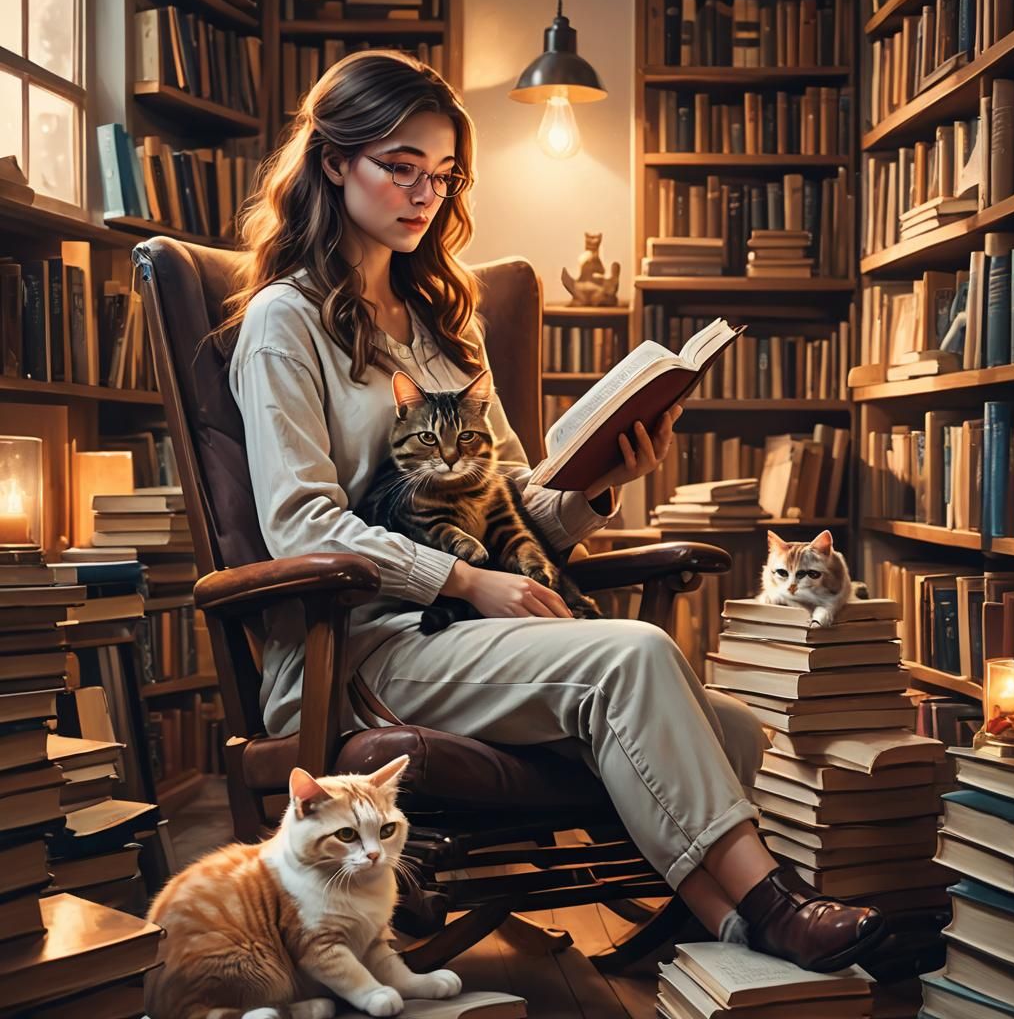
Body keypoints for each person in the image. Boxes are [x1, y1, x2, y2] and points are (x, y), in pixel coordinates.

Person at [223, 50, 885, 973]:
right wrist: (464, 579)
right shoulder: (283, 324)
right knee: (637, 655)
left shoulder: (444, 326)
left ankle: (721, 923)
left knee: (733, 727)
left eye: (442, 174)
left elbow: (510, 504)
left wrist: (599, 482)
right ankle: (778, 909)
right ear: (334, 163)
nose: (423, 194)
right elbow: (300, 524)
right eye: (400, 166)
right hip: (361, 647)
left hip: (464, 626)